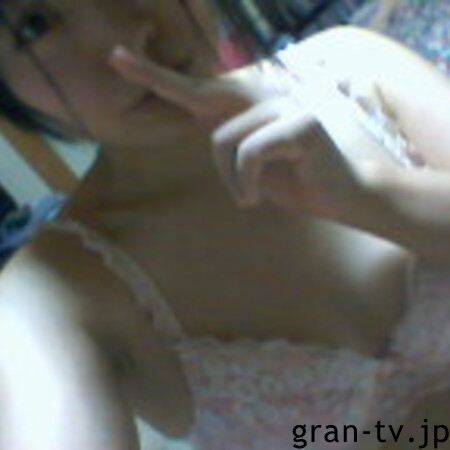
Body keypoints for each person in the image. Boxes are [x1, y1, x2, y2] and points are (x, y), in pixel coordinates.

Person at [0, 1, 450, 449]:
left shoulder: (353, 67)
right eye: (36, 25)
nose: (124, 41)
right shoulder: (48, 293)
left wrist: (367, 195)